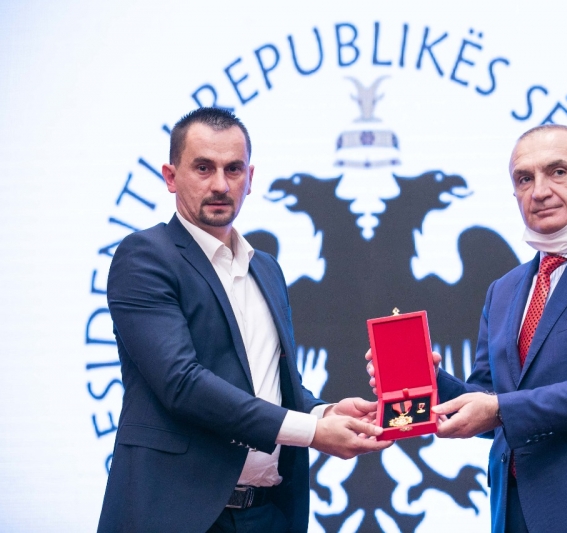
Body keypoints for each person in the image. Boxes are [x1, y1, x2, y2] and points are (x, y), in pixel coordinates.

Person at [369, 124, 567, 532]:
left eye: (558, 172)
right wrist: (427, 381)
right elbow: (488, 398)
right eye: (524, 178)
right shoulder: (503, 290)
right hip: (515, 511)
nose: (539, 191)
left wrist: (499, 408)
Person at [98, 108, 391, 533]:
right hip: (179, 516)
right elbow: (182, 383)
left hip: (268, 514)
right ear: (170, 176)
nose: (220, 184)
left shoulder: (266, 268)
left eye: (233, 169)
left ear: (250, 178)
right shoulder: (145, 257)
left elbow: (270, 384)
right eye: (203, 168)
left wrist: (323, 411)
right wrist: (312, 431)